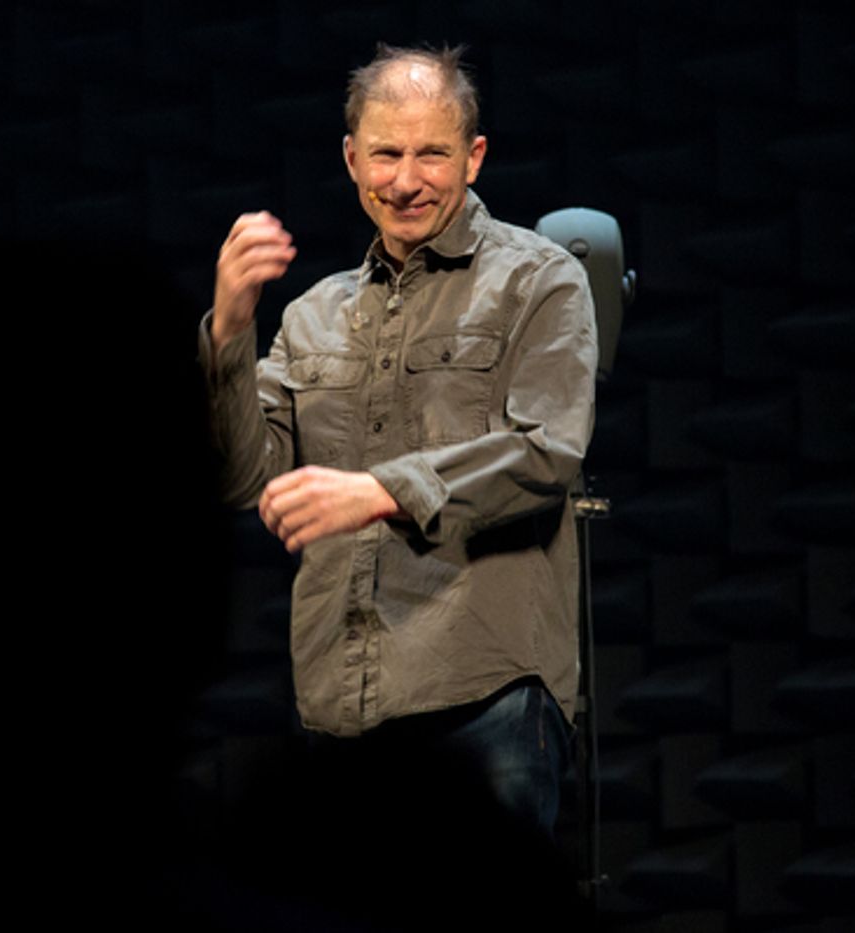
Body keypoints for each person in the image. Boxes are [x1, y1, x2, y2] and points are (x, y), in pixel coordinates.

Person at [198, 44, 597, 835]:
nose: (405, 179)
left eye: (431, 154)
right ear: (351, 159)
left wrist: (380, 490)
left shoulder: (539, 280)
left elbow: (547, 451)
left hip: (485, 695)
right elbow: (243, 476)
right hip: (340, 703)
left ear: (474, 156)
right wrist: (230, 328)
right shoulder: (312, 314)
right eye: (385, 152)